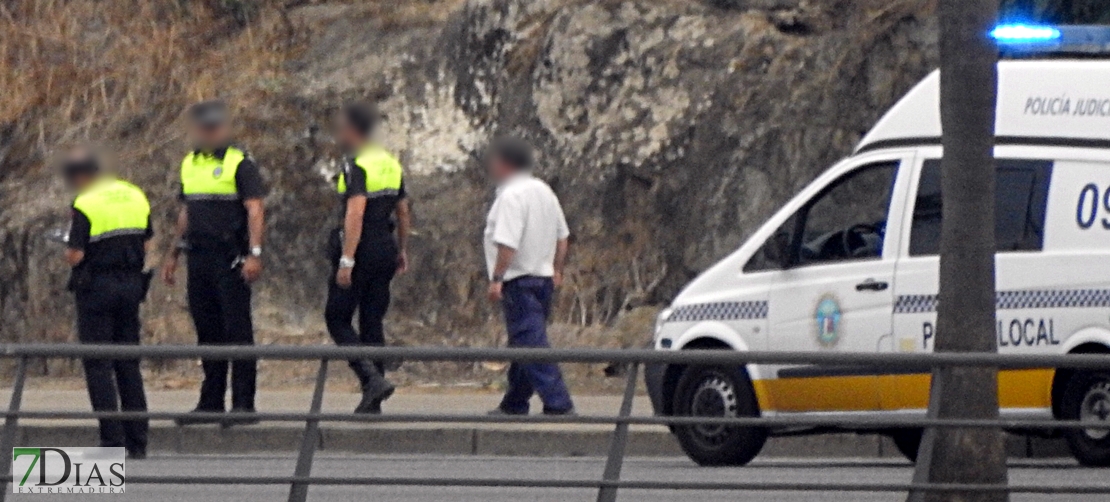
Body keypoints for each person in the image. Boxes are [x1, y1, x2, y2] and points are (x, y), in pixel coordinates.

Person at [161, 100, 266, 426]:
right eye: (205, 128)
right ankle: (211, 401)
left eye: (215, 127)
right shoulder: (190, 163)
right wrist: (174, 252)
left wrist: (255, 253)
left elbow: (255, 210)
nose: (210, 133)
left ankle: (244, 404)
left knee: (237, 331)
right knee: (208, 331)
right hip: (199, 256)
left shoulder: (240, 163)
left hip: (230, 257)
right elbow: (186, 211)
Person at [62, 147, 152, 459]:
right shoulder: (134, 194)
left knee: (98, 363)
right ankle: (137, 442)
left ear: (80, 176)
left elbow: (76, 254)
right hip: (131, 285)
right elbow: (149, 242)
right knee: (128, 362)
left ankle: (112, 442)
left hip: (97, 288)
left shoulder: (85, 202)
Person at [325, 103, 410, 414]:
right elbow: (403, 210)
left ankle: (370, 378)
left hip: (361, 248)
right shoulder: (389, 162)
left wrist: (347, 259)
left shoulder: (356, 164)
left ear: (352, 131)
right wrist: (401, 249)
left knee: (336, 318)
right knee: (372, 321)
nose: (338, 134)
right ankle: (374, 399)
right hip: (385, 247)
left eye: (341, 128)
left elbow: (355, 211)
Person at [483, 137, 575, 416]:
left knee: (531, 342)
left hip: (519, 279)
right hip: (543, 277)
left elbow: (507, 243)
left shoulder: (511, 196)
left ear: (505, 163)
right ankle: (515, 402)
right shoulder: (543, 190)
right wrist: (557, 269)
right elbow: (563, 236)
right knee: (524, 341)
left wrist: (497, 278)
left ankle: (558, 402)